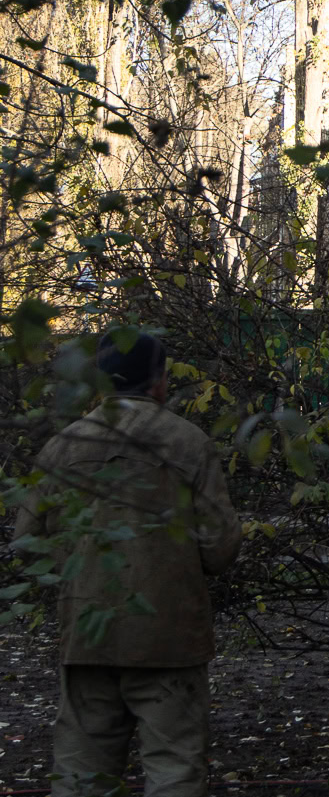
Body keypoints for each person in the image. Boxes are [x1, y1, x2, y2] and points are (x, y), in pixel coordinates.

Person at [14, 332, 242, 797]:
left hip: (87, 637)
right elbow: (220, 548)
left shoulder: (63, 445)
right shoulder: (188, 442)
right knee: (174, 769)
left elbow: (26, 545)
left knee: (82, 775)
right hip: (168, 638)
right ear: (159, 381)